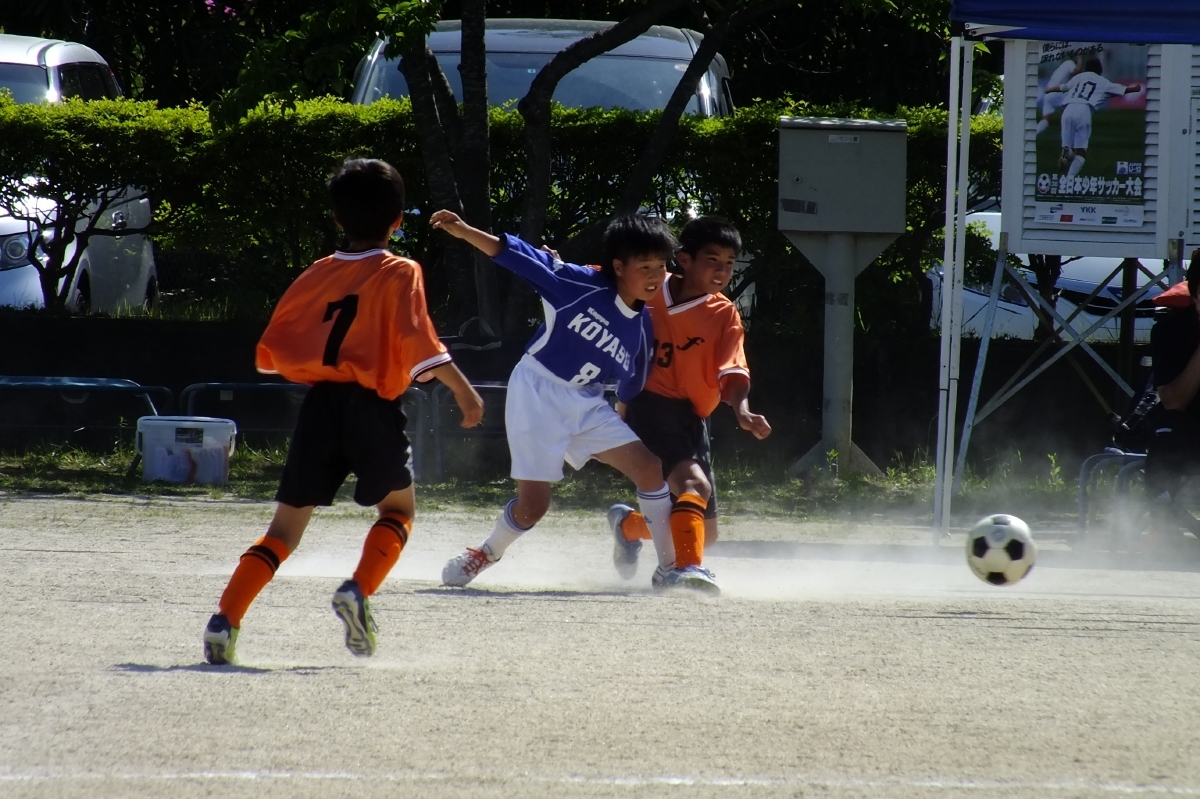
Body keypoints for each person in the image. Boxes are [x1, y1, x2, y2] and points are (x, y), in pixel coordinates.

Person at [201, 158, 484, 665]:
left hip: (320, 407)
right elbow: (418, 339)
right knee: (398, 511)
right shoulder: (400, 270)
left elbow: (278, 340)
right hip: (373, 407)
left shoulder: (318, 272)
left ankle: (225, 619)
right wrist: (464, 391)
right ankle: (358, 589)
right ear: (398, 220)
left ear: (336, 218)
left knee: (283, 531)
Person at [430, 210, 683, 589]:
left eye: (661, 266)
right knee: (533, 507)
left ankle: (670, 569)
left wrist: (623, 412)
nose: (655, 275)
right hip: (537, 391)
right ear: (618, 267)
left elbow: (634, 378)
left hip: (586, 400)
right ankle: (485, 553)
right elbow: (518, 257)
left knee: (649, 467)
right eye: (644, 266)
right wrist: (465, 231)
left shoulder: (643, 324)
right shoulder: (579, 283)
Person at [606, 216, 771, 594]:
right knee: (693, 485)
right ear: (684, 259)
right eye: (712, 260)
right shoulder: (649, 286)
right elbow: (596, 278)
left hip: (692, 415)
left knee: (705, 533)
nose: (722, 270)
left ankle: (628, 526)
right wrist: (554, 263)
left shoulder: (723, 314)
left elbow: (734, 370)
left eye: (729, 263)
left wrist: (742, 410)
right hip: (648, 403)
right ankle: (684, 571)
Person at [1147, 251, 1200, 511]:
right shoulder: (1169, 330)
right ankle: (1163, 520)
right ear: (1195, 296)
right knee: (1166, 428)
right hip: (1189, 427)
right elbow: (1173, 401)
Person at [1045, 57, 1141, 178]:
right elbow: (1123, 89)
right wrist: (1136, 88)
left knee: (1067, 146)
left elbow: (1063, 87)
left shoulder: (1078, 77)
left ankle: (1067, 152)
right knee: (1081, 152)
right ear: (1099, 70)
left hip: (1068, 109)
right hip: (1084, 110)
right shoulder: (1102, 81)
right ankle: (1069, 179)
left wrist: (1049, 89)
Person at [1035, 57, 1080, 135]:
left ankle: (1034, 133)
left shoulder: (1061, 67)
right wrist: (1080, 60)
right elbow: (1076, 72)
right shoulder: (1069, 63)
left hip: (1048, 94)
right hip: (1056, 91)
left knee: (1047, 119)